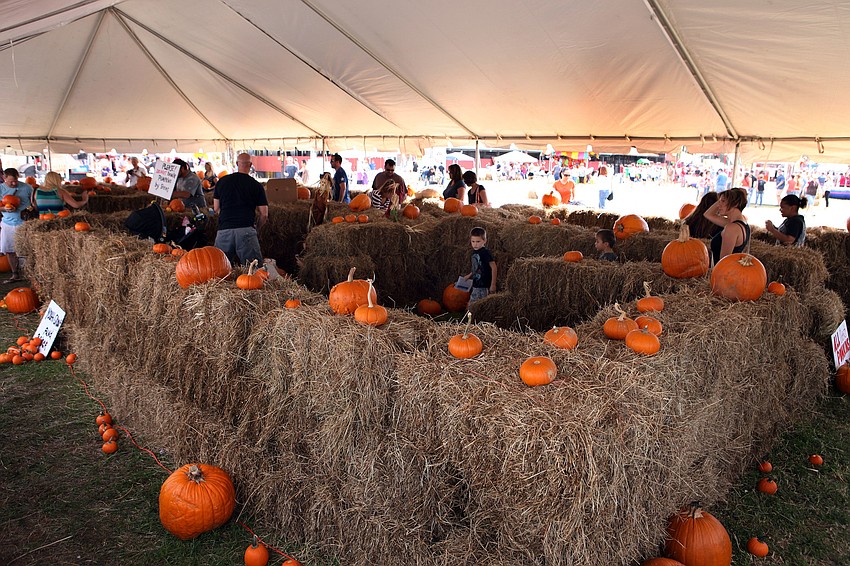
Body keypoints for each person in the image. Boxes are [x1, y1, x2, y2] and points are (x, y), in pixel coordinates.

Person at [213, 153, 268, 266]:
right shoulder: (256, 186)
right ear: (251, 165)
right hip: (246, 229)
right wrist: (257, 228)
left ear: (237, 164)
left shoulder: (221, 182)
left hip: (224, 230)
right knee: (254, 269)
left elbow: (216, 208)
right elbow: (264, 214)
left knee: (220, 269)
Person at [0, 168, 34, 282]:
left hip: (24, 222)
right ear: (4, 178)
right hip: (7, 223)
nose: (14, 183)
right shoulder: (1, 189)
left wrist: (31, 209)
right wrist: (4, 208)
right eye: (11, 182)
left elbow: (33, 204)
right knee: (9, 249)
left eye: (16, 180)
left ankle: (28, 272)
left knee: (26, 249)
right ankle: (15, 273)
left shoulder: (27, 188)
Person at [703, 187, 750, 265]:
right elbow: (708, 214)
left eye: (723, 201)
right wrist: (727, 195)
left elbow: (723, 261)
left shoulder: (732, 228)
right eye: (719, 201)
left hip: (722, 274)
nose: (719, 205)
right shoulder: (739, 223)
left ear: (735, 203)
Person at [463, 226, 496, 303]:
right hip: (476, 283)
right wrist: (470, 275)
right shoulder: (475, 252)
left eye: (478, 242)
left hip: (484, 284)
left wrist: (493, 284)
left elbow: (494, 267)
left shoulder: (485, 253)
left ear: (484, 241)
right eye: (473, 241)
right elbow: (477, 267)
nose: (475, 244)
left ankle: (472, 314)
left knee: (478, 304)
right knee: (474, 303)